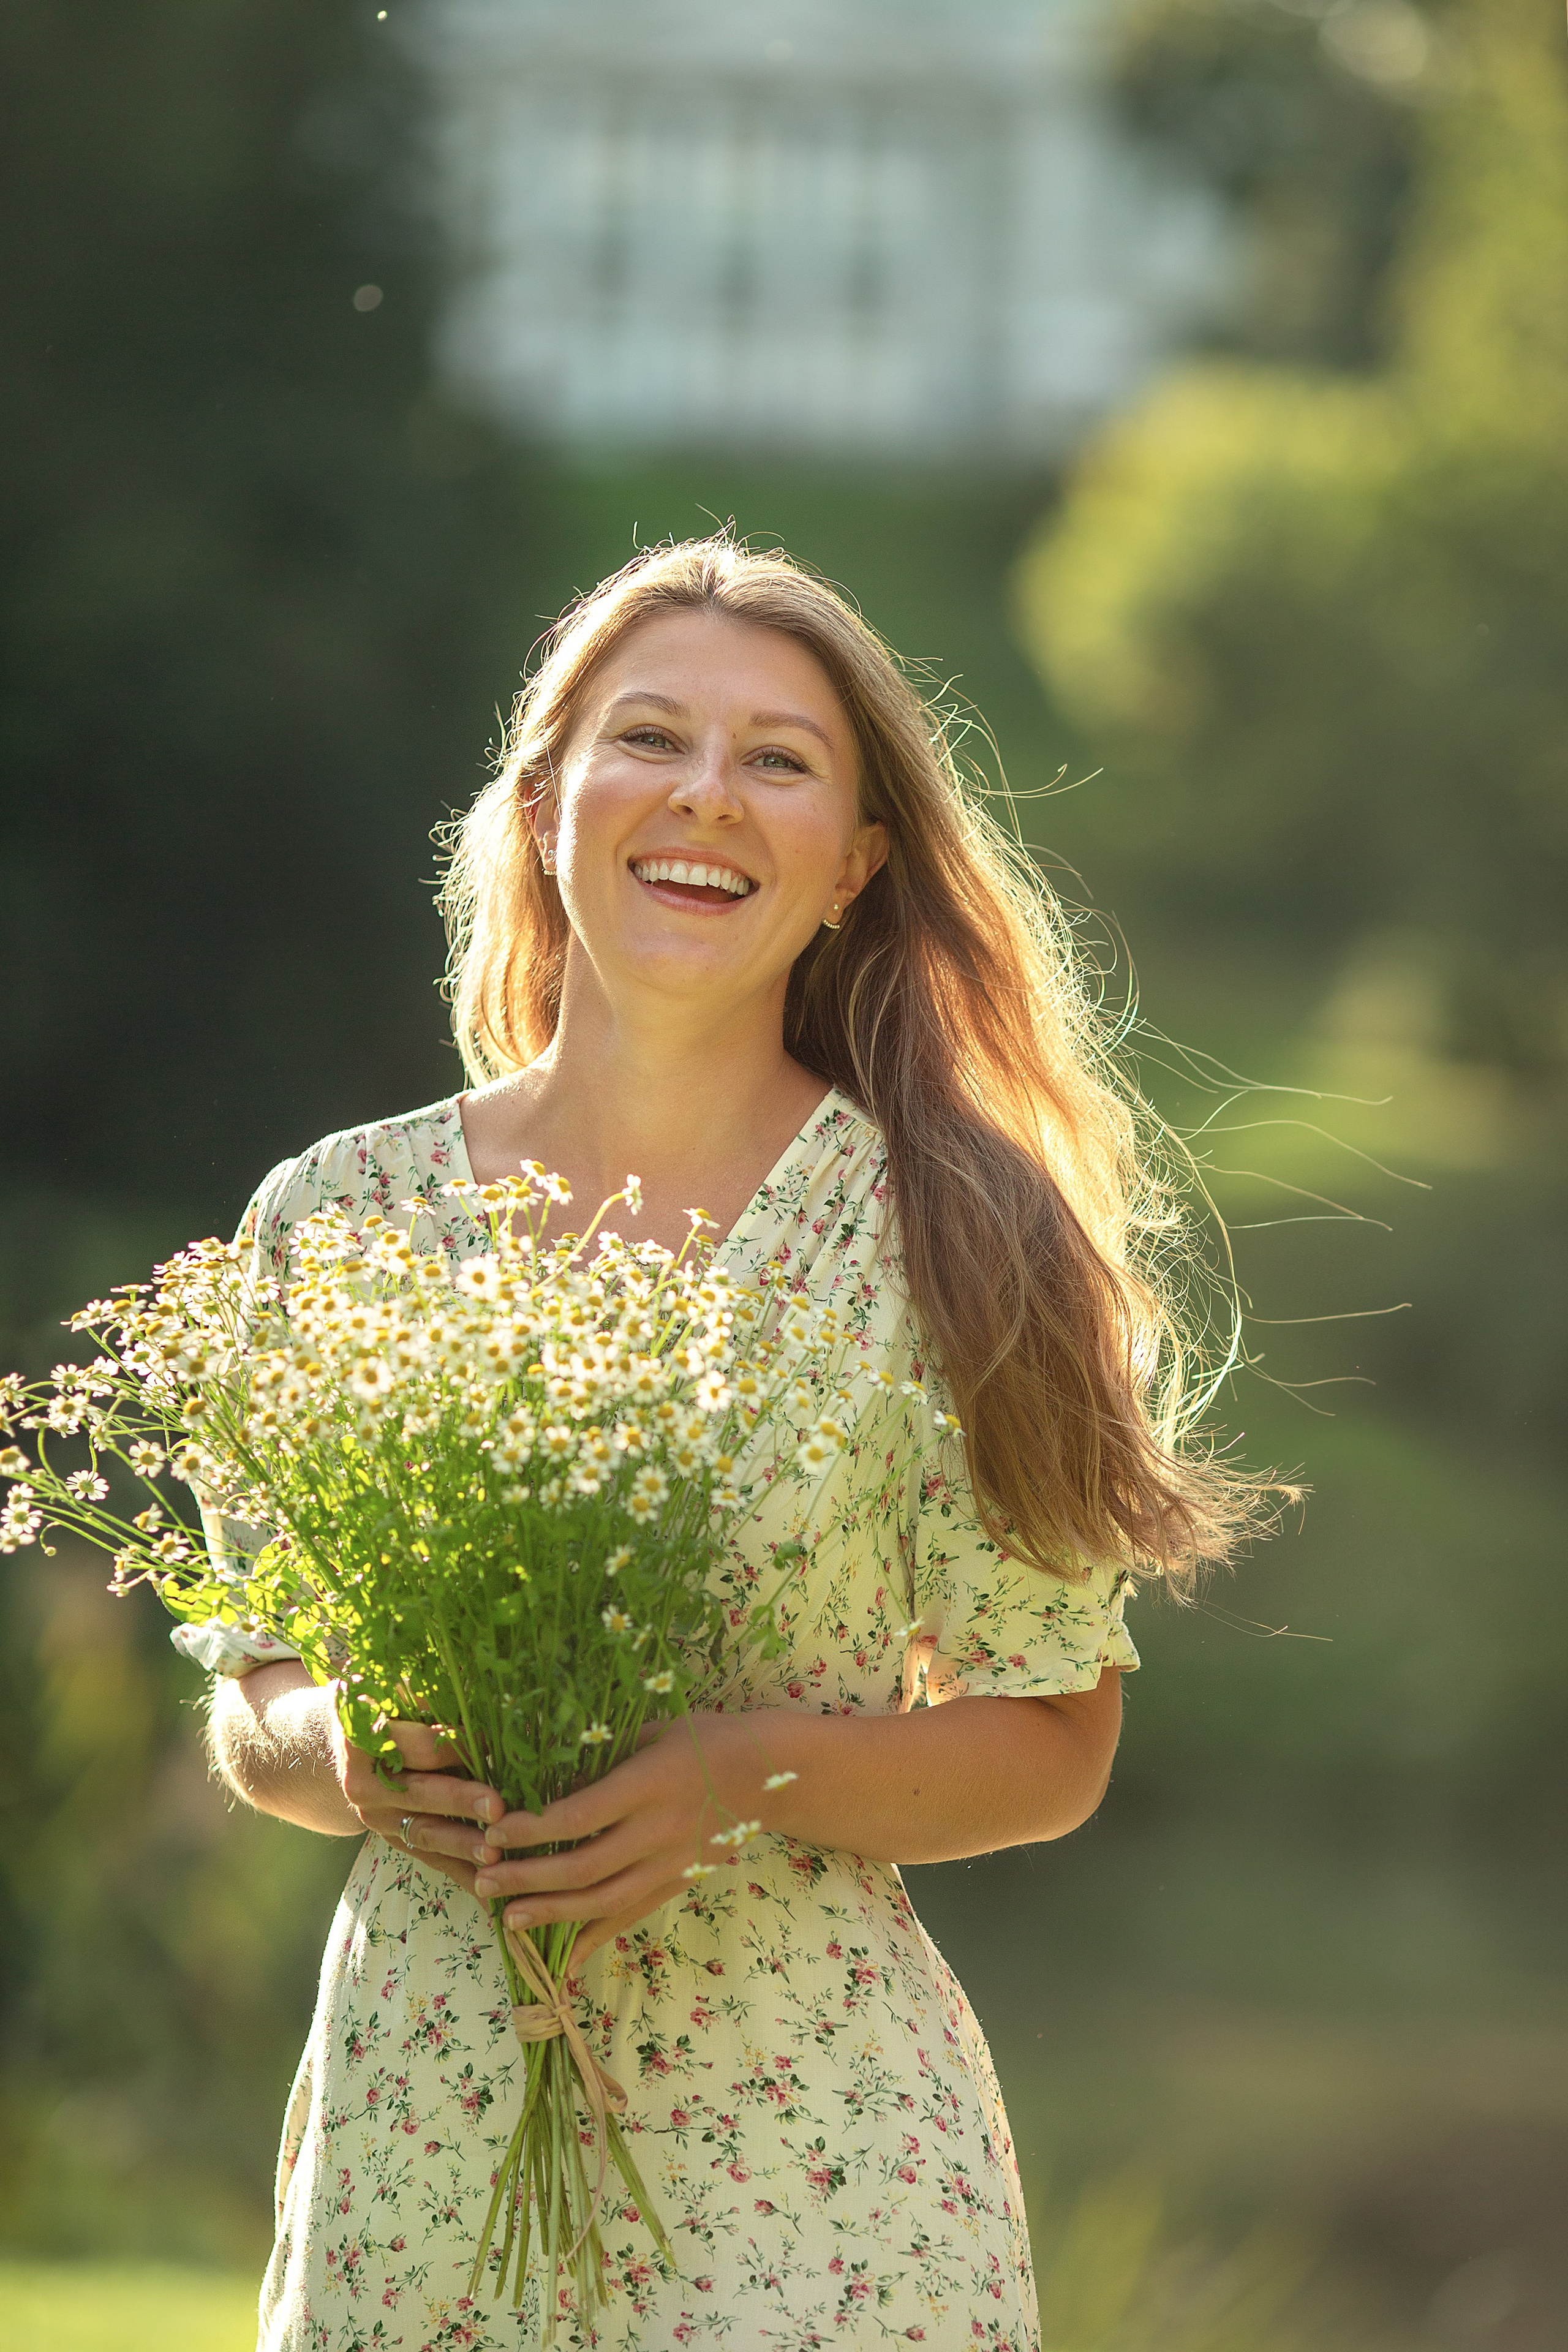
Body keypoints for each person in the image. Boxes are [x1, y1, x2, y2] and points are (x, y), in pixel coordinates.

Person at [204, 536, 1255, 2350]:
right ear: (546, 803)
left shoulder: (958, 1235)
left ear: (853, 867)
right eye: (650, 738)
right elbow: (253, 1697)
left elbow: (1053, 1741)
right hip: (423, 2138)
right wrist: (349, 1750)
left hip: (815, 2176)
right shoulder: (333, 1215)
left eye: (779, 760)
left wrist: (734, 1774)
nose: (705, 795)